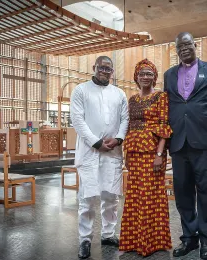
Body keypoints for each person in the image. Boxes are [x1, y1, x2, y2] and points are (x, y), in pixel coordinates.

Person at [163, 32, 207, 260]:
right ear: (176, 49)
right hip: (178, 142)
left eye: (187, 44)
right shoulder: (169, 75)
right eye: (180, 46)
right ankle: (189, 237)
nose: (184, 48)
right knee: (183, 192)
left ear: (195, 45)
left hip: (205, 141)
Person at [70, 56, 129, 259]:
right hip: (89, 152)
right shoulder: (81, 90)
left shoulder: (119, 93)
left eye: (109, 69)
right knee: (87, 198)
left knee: (111, 198)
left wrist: (119, 138)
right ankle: (85, 239)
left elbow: (125, 119)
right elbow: (77, 119)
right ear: (94, 68)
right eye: (102, 68)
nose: (105, 71)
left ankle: (108, 234)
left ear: (113, 72)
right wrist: (96, 142)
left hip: (112, 153)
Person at [119, 59, 173, 256]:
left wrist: (160, 155)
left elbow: (163, 127)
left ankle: (153, 242)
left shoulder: (161, 97)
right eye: (142, 73)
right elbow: (130, 127)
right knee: (133, 196)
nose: (145, 77)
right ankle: (133, 241)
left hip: (152, 153)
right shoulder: (132, 99)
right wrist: (126, 153)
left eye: (149, 73)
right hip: (133, 152)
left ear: (154, 77)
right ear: (136, 76)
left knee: (151, 196)